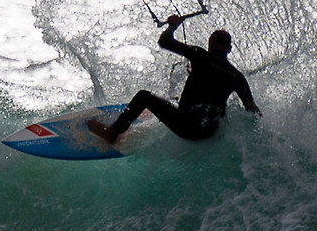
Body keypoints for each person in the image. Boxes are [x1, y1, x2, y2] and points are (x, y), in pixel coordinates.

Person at [90, 13, 259, 143]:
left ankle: (112, 133)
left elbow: (164, 41)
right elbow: (252, 110)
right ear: (229, 49)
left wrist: (173, 26)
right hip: (210, 132)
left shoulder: (200, 55)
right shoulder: (238, 77)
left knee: (143, 96)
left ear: (211, 43)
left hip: (186, 127)